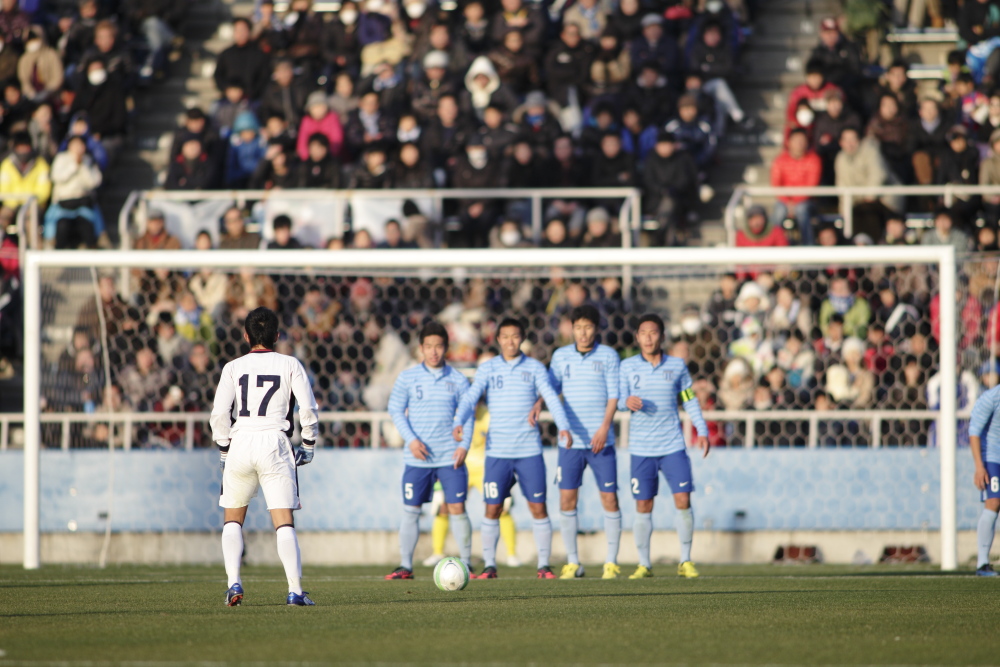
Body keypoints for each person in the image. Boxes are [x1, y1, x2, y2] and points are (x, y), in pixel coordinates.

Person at [210, 307, 320, 606]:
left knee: (233, 518)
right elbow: (308, 409)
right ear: (278, 336)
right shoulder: (290, 364)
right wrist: (308, 443)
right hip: (275, 443)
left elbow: (220, 413)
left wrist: (224, 448)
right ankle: (295, 591)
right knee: (283, 522)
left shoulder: (232, 367)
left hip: (241, 442)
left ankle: (234, 584)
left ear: (246, 336)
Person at [452, 317, 573, 579]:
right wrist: (458, 420)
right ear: (498, 340)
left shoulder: (535, 368)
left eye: (515, 336)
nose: (510, 341)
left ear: (522, 339)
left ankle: (543, 565)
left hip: (529, 451)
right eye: (505, 337)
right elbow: (471, 397)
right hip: (497, 453)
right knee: (492, 508)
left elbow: (550, 396)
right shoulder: (488, 369)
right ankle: (490, 566)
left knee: (537, 507)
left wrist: (563, 426)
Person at [618, 313, 709, 579]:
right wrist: (626, 402)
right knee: (643, 505)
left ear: (662, 336)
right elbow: (617, 398)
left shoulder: (677, 366)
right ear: (637, 337)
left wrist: (701, 430)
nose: (648, 337)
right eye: (643, 333)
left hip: (672, 446)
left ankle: (685, 560)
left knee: (683, 500)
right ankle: (644, 564)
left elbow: (689, 398)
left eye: (653, 332)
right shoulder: (627, 367)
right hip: (641, 449)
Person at [538, 305, 622, 580]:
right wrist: (538, 402)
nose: (583, 333)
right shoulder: (561, 356)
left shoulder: (609, 356)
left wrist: (604, 427)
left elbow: (614, 396)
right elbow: (551, 388)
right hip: (570, 442)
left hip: (602, 441)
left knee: (609, 499)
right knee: (566, 499)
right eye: (578, 327)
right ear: (571, 329)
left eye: (588, 327)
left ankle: (611, 562)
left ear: (596, 328)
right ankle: (573, 561)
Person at [385, 322, 474, 580]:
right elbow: (395, 410)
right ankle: (405, 566)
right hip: (417, 457)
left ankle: (466, 563)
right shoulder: (408, 377)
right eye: (428, 346)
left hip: (450, 457)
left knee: (457, 507)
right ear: (420, 348)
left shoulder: (457, 379)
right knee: (412, 510)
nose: (433, 351)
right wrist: (411, 440)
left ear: (446, 348)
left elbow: (468, 414)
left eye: (438, 346)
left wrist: (465, 445)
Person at [969, 383, 1000, 575]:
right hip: (992, 458)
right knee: (993, 502)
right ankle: (982, 563)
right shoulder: (991, 397)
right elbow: (974, 432)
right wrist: (979, 467)